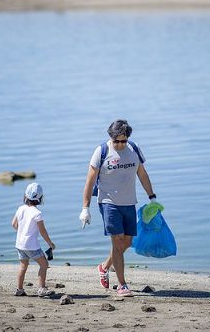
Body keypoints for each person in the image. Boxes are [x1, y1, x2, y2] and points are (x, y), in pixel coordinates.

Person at [79, 119, 158, 297]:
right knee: (117, 240)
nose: (121, 145)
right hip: (108, 202)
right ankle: (122, 285)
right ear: (111, 138)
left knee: (127, 242)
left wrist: (152, 197)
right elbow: (90, 180)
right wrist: (85, 208)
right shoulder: (101, 151)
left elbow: (142, 174)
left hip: (129, 202)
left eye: (124, 141)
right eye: (117, 141)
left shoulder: (134, 149)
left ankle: (104, 266)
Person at [12, 182, 56, 297]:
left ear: (25, 196)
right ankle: (41, 289)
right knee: (44, 265)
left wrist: (22, 231)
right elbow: (42, 231)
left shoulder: (21, 208)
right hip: (31, 245)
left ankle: (19, 289)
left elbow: (14, 224)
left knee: (23, 266)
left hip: (20, 244)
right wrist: (50, 244)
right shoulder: (37, 213)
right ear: (40, 198)